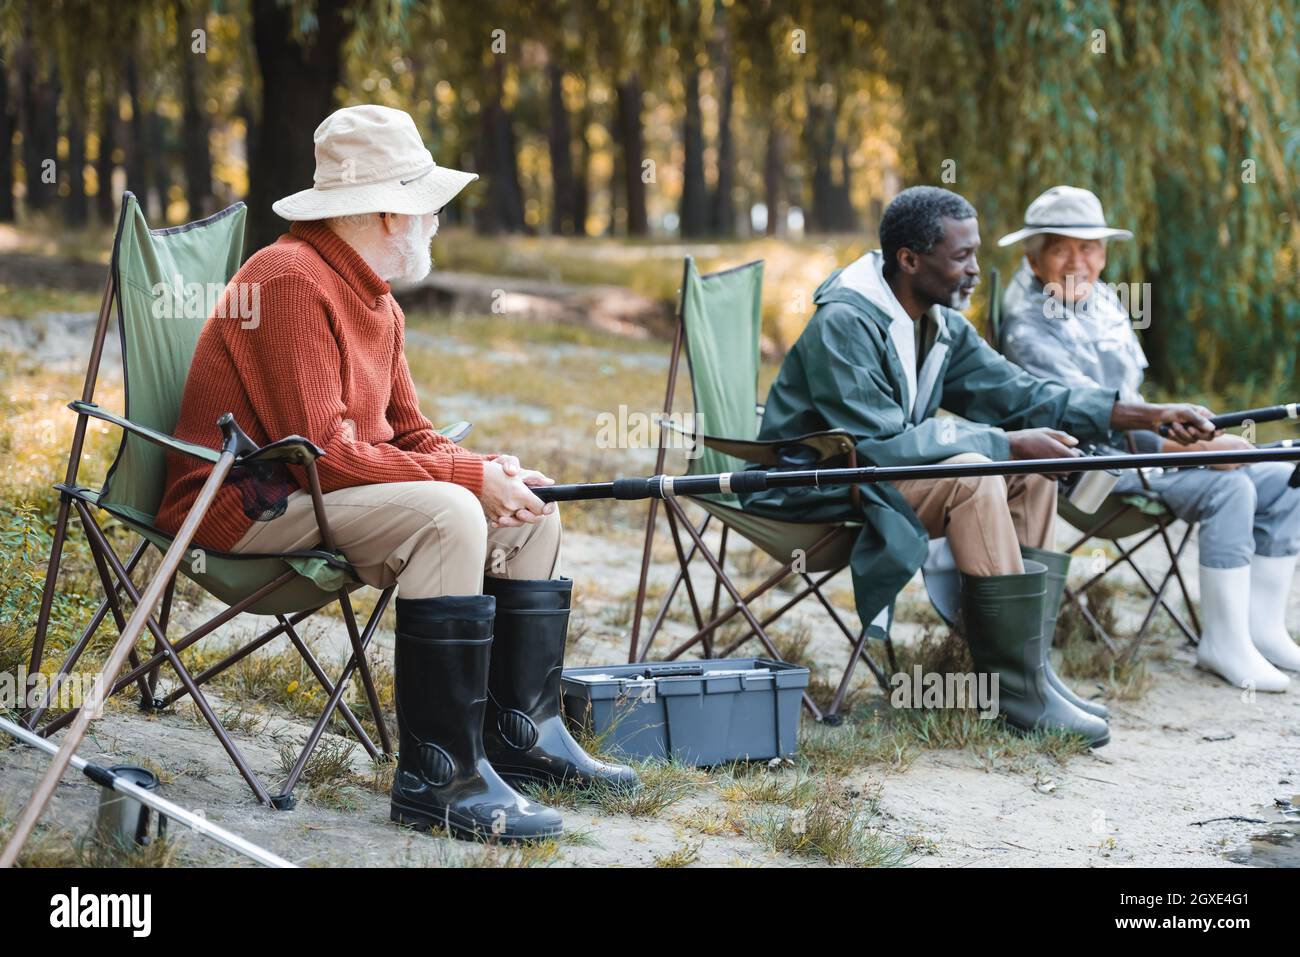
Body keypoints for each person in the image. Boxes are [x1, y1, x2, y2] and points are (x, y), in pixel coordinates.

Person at [154, 105, 637, 842]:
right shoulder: (288, 279)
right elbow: (320, 451)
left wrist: (487, 469)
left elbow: (407, 432)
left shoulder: (374, 297)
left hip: (312, 491)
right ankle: (439, 779)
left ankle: (520, 738)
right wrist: (465, 480)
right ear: (387, 211)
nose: (437, 224)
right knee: (451, 514)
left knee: (533, 505)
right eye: (429, 209)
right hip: (246, 501)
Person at [741, 185, 1218, 746]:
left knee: (1031, 471)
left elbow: (1024, 394)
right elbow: (875, 445)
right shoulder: (847, 322)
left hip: (881, 479)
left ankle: (1028, 672)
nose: (975, 271)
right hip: (816, 489)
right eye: (961, 256)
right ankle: (1016, 692)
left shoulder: (936, 321)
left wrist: (1148, 413)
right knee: (975, 473)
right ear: (910, 260)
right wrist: (1007, 443)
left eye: (976, 253)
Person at [999, 185, 1300, 693]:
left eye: (1090, 247)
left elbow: (1134, 398)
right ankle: (1222, 643)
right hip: (1092, 474)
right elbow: (1089, 416)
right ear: (1034, 257)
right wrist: (1194, 451)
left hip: (1144, 455)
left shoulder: (1105, 299)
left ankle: (1263, 631)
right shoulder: (1028, 324)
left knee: (1285, 478)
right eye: (1061, 248)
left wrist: (1192, 441)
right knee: (1232, 487)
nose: (1080, 261)